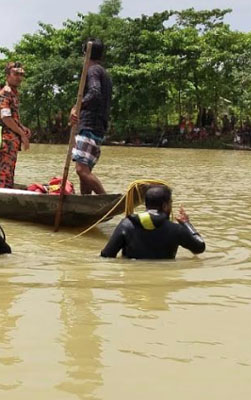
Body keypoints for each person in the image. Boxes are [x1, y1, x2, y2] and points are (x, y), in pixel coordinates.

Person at [100, 185, 205, 259]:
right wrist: (186, 223)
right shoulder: (176, 229)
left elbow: (106, 255)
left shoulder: (127, 224)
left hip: (132, 284)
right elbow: (199, 248)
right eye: (170, 203)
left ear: (146, 204)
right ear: (165, 206)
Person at [70, 39, 112, 195]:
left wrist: (77, 106)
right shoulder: (104, 73)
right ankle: (85, 203)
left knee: (81, 170)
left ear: (85, 55)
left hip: (89, 126)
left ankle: (106, 201)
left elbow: (94, 93)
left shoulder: (93, 70)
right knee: (85, 172)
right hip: (98, 127)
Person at [0, 61, 31, 188]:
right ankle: (0, 200)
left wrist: (22, 128)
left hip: (13, 141)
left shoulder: (14, 93)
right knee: (4, 174)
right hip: (6, 141)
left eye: (21, 74)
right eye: (15, 74)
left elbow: (12, 117)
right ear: (7, 75)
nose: (19, 77)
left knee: (9, 173)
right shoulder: (6, 92)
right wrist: (23, 135)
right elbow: (5, 118)